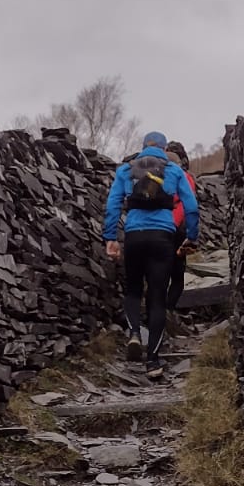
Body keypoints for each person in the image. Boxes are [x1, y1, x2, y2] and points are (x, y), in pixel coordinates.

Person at [103, 130, 199, 381]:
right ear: (165, 148)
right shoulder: (175, 171)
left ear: (143, 146)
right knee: (157, 297)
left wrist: (111, 238)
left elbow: (113, 203)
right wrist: (191, 236)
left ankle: (134, 333)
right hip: (163, 238)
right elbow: (191, 206)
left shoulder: (126, 170)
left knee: (133, 289)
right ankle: (153, 361)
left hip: (134, 237)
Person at [164, 141, 197, 318]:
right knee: (177, 274)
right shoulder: (185, 177)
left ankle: (155, 312)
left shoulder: (153, 175)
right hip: (177, 231)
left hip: (155, 228)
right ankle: (168, 311)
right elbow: (189, 205)